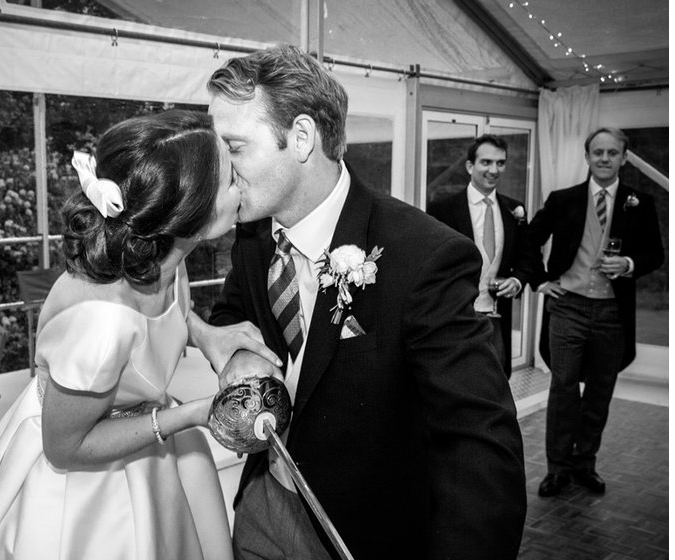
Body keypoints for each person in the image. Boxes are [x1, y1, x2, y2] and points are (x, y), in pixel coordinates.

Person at [191, 44, 527, 559]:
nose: (223, 169)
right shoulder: (254, 236)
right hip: (263, 502)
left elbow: (478, 442)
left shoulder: (425, 257)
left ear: (301, 138)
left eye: (233, 147)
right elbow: (233, 311)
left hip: (359, 532)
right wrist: (237, 354)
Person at [0, 110, 279, 560]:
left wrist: (205, 334)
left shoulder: (163, 251)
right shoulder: (102, 324)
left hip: (142, 439)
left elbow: (162, 315)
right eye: (231, 179)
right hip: (80, 480)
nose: (243, 184)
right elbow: (65, 447)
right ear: (191, 212)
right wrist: (195, 414)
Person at [529, 127, 664, 498]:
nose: (604, 159)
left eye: (612, 152)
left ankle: (584, 464)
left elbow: (656, 254)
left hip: (612, 313)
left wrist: (629, 263)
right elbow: (528, 240)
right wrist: (540, 280)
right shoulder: (563, 199)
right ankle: (557, 469)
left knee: (601, 391)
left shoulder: (641, 201)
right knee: (563, 389)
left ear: (624, 157)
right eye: (597, 152)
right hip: (567, 306)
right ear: (587, 157)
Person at [427, 135, 539, 378]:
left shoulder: (514, 209)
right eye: (486, 162)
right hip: (456, 317)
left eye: (500, 163)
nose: (494, 170)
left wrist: (517, 281)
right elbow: (431, 262)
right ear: (470, 166)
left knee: (497, 381)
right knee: (458, 380)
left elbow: (527, 257)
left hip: (497, 317)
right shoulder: (442, 209)